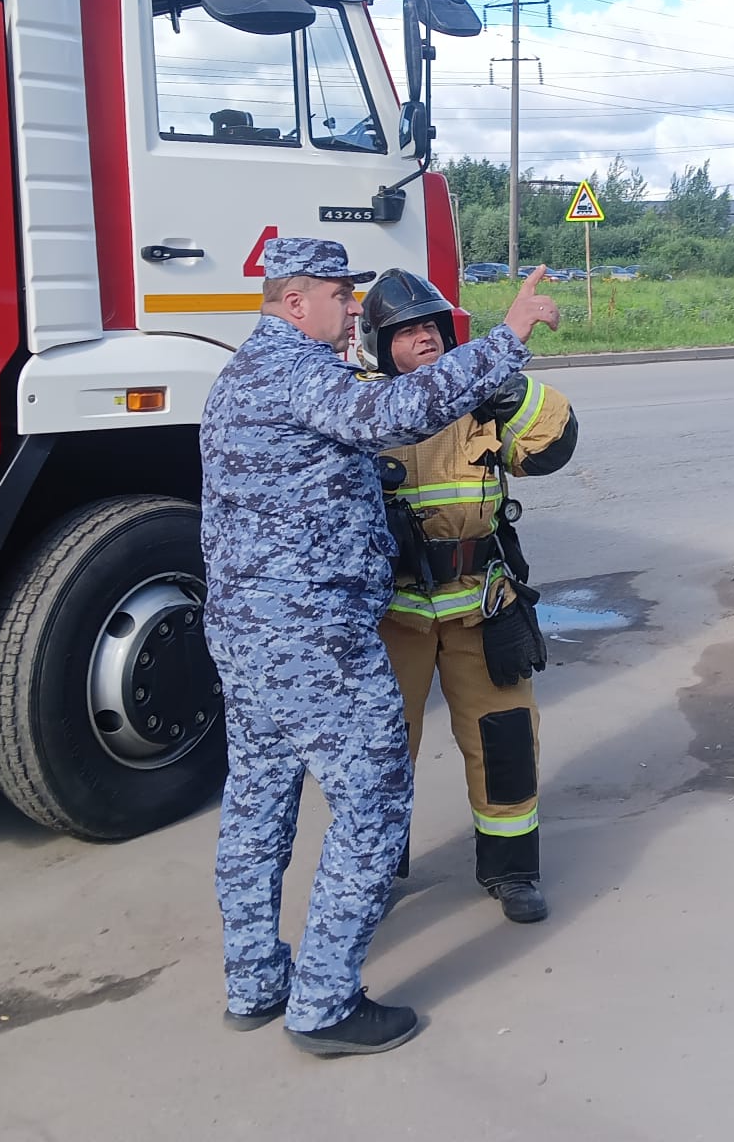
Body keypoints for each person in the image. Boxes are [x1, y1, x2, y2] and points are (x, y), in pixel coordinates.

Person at [199, 239, 559, 1058]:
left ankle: (254, 982)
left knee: (256, 804)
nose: (353, 307)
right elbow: (394, 414)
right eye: (340, 294)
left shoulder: (240, 373)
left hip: (247, 634)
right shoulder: (299, 373)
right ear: (297, 303)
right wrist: (507, 337)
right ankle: (325, 1003)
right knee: (373, 802)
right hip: (312, 637)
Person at [359, 270, 578, 926]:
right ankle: (372, 872)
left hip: (480, 605)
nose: (425, 336)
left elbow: (555, 446)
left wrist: (505, 384)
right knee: (377, 751)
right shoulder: (362, 408)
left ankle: (512, 870)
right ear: (380, 345)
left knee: (505, 739)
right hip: (392, 615)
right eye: (407, 331)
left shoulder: (476, 398)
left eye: (432, 326)